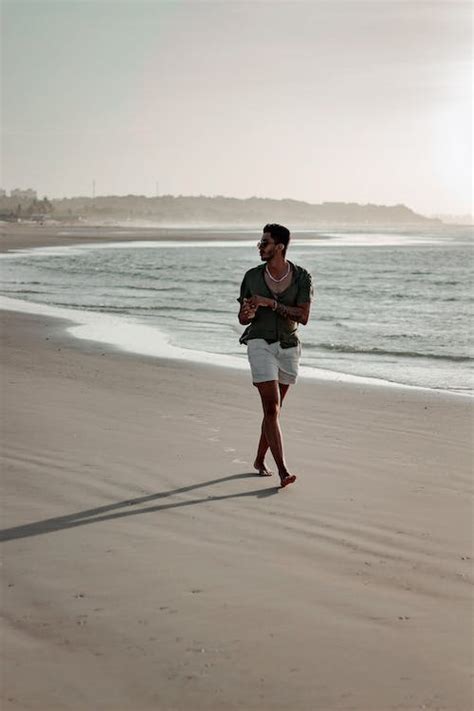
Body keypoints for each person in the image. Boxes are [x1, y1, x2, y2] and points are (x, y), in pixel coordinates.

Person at [237, 223, 313, 488]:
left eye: (265, 243)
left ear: (279, 247)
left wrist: (271, 303)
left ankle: (259, 460)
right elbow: (242, 317)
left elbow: (303, 317)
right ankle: (282, 470)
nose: (260, 247)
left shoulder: (302, 277)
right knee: (271, 407)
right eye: (260, 243)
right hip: (259, 343)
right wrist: (246, 314)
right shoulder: (252, 277)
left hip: (289, 346)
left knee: (274, 413)